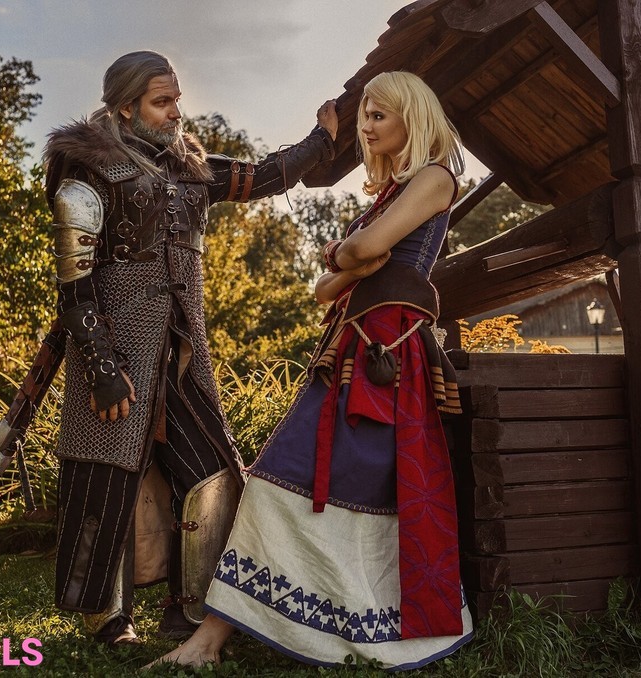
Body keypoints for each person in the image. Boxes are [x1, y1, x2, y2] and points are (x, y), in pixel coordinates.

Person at [16, 50, 338, 645]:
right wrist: (102, 368)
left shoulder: (190, 168)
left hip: (182, 353)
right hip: (114, 356)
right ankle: (106, 619)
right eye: (162, 102)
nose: (175, 112)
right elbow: (75, 288)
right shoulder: (87, 170)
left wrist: (321, 138)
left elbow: (262, 176)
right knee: (105, 475)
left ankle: (190, 612)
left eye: (177, 100)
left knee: (211, 471)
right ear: (126, 106)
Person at [155, 70, 472, 670]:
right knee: (287, 475)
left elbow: (355, 255)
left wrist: (349, 255)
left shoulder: (434, 178)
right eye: (364, 115)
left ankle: (236, 637)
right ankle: (212, 639)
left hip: (386, 357)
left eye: (379, 114)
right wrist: (351, 259)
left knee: (332, 481)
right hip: (351, 349)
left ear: (412, 116)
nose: (366, 126)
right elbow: (325, 287)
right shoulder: (388, 196)